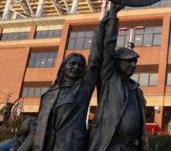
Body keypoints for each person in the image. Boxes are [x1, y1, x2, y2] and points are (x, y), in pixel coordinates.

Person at [18, 8, 110, 151]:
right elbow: (38, 127)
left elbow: (95, 61)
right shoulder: (50, 94)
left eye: (80, 65)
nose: (76, 67)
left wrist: (101, 28)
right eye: (72, 64)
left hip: (71, 146)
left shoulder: (83, 87)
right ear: (63, 67)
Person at [88, 4, 149, 151]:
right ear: (116, 62)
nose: (133, 65)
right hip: (111, 144)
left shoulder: (136, 90)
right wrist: (113, 15)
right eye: (128, 62)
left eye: (134, 62)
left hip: (131, 146)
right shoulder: (108, 78)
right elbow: (108, 47)